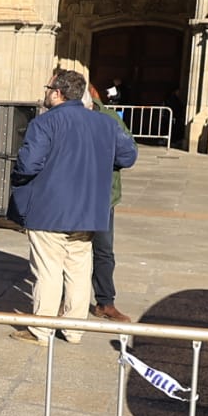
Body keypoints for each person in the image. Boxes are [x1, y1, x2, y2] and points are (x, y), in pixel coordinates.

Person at [8, 68, 137, 345]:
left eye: (48, 88)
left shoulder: (45, 123)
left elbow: (28, 165)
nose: (45, 92)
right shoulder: (104, 123)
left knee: (49, 270)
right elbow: (128, 155)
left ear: (57, 93)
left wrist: (17, 178)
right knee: (79, 268)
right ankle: (74, 329)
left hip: (49, 209)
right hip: (89, 209)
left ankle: (41, 330)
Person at [86, 85, 132, 324]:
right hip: (72, 195)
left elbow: (128, 154)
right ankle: (67, 301)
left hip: (103, 195)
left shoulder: (109, 118)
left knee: (103, 250)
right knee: (70, 251)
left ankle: (105, 302)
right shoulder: (62, 115)